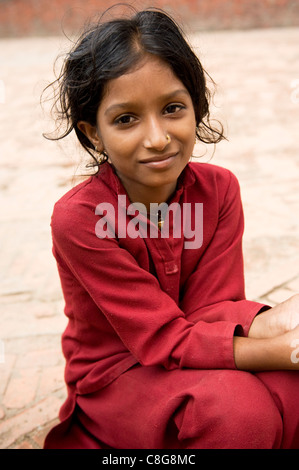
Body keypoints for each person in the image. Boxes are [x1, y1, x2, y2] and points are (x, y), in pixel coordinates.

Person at [43, 8, 299, 449]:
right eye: (126, 119)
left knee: (292, 393)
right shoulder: (81, 219)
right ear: (94, 132)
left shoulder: (219, 190)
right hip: (120, 372)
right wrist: (284, 349)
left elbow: (213, 307)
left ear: (196, 108)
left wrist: (276, 321)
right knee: (237, 412)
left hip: (196, 342)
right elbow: (160, 337)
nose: (158, 137)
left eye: (173, 108)